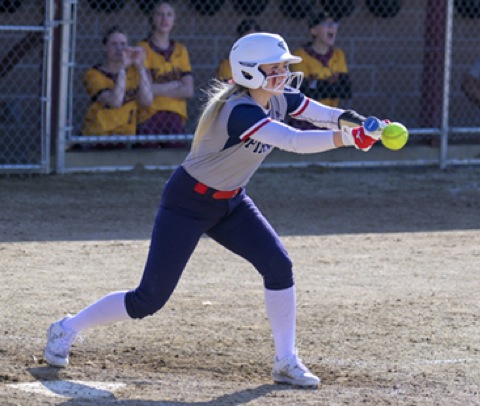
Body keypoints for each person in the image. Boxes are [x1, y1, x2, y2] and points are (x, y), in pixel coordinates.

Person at [43, 32, 389, 388]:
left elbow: (325, 114)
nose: (283, 74)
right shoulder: (238, 110)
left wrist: (363, 124)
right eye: (274, 68)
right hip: (188, 202)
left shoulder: (279, 96)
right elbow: (294, 140)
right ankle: (67, 327)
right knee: (149, 299)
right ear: (250, 71)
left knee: (278, 266)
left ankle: (285, 361)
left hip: (231, 201)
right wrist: (349, 139)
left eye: (283, 67)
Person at [136, 1, 194, 146]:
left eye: (169, 15)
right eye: (160, 14)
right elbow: (145, 92)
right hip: (149, 115)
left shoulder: (180, 50)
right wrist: (174, 85)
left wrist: (156, 89)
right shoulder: (143, 48)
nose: (164, 19)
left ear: (174, 20)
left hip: (176, 115)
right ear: (152, 18)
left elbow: (188, 90)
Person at [80, 26, 153, 140]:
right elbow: (115, 101)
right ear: (105, 47)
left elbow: (147, 101)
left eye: (123, 44)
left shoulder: (134, 72)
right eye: (113, 44)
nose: (119, 48)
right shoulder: (93, 74)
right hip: (99, 134)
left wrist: (141, 68)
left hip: (126, 134)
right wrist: (122, 69)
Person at [290, 12, 351, 120]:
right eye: (326, 24)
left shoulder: (338, 54)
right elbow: (304, 92)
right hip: (305, 119)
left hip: (330, 117)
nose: (332, 27)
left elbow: (346, 90)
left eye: (334, 23)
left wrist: (316, 84)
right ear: (313, 30)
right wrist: (332, 85)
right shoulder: (300, 55)